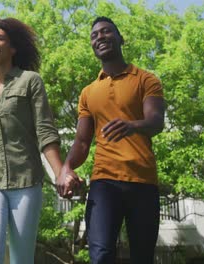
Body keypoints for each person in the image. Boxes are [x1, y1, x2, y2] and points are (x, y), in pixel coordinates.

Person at [57, 16, 165, 264]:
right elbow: (82, 142)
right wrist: (66, 168)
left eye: (106, 32)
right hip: (104, 182)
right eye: (94, 35)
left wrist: (132, 126)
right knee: (101, 254)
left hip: (143, 181)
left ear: (120, 38)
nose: (100, 37)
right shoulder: (88, 92)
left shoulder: (146, 80)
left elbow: (156, 121)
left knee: (142, 257)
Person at [0, 18, 63, 264]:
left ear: (12, 48)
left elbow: (45, 130)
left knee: (21, 259)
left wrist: (60, 173)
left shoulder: (30, 81)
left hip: (26, 180)